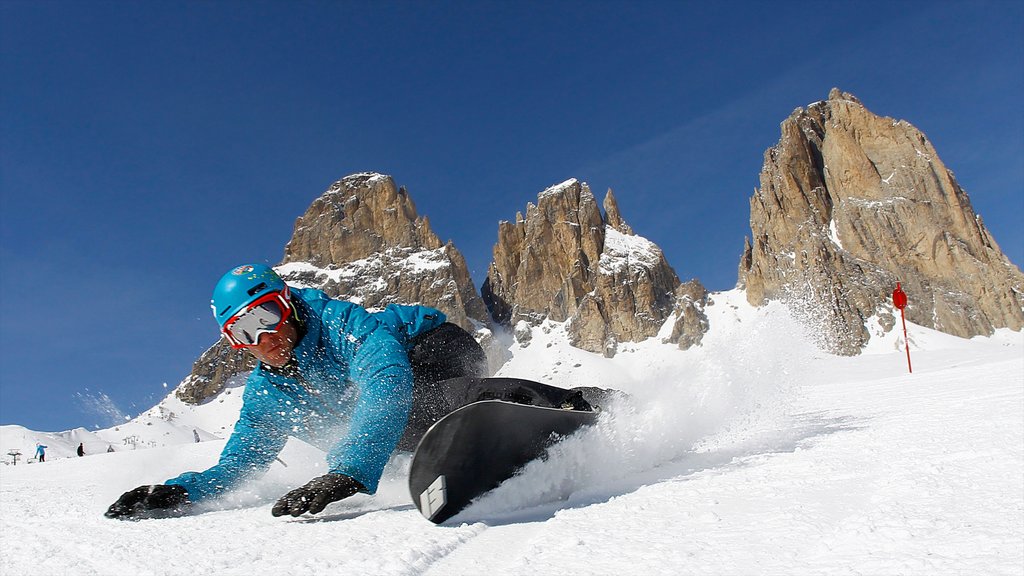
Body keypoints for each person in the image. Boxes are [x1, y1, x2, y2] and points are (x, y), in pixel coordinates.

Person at [105, 264, 597, 520]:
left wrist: (350, 471)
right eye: (244, 333)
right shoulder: (267, 395)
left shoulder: (338, 324)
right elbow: (238, 464)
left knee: (418, 406)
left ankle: (575, 402)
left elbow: (386, 381)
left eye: (267, 317)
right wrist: (179, 492)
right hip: (399, 399)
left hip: (431, 346)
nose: (264, 339)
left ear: (289, 305)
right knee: (405, 432)